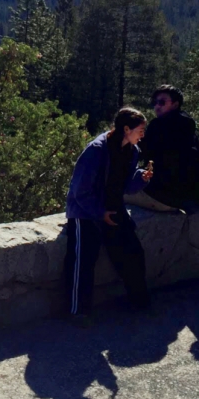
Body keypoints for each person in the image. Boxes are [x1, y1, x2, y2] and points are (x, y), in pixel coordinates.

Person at [65, 107, 154, 323]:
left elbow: (124, 186)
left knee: (132, 249)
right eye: (140, 130)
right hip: (85, 211)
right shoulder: (96, 150)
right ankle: (78, 310)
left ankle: (139, 299)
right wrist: (99, 212)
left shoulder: (132, 152)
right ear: (126, 129)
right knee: (84, 257)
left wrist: (141, 178)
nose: (142, 135)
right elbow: (80, 191)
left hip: (112, 207)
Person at [126, 85, 199, 211]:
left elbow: (139, 152)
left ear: (175, 105)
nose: (157, 106)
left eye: (162, 102)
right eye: (155, 102)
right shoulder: (189, 126)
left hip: (159, 196)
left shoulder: (159, 126)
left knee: (109, 192)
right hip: (182, 196)